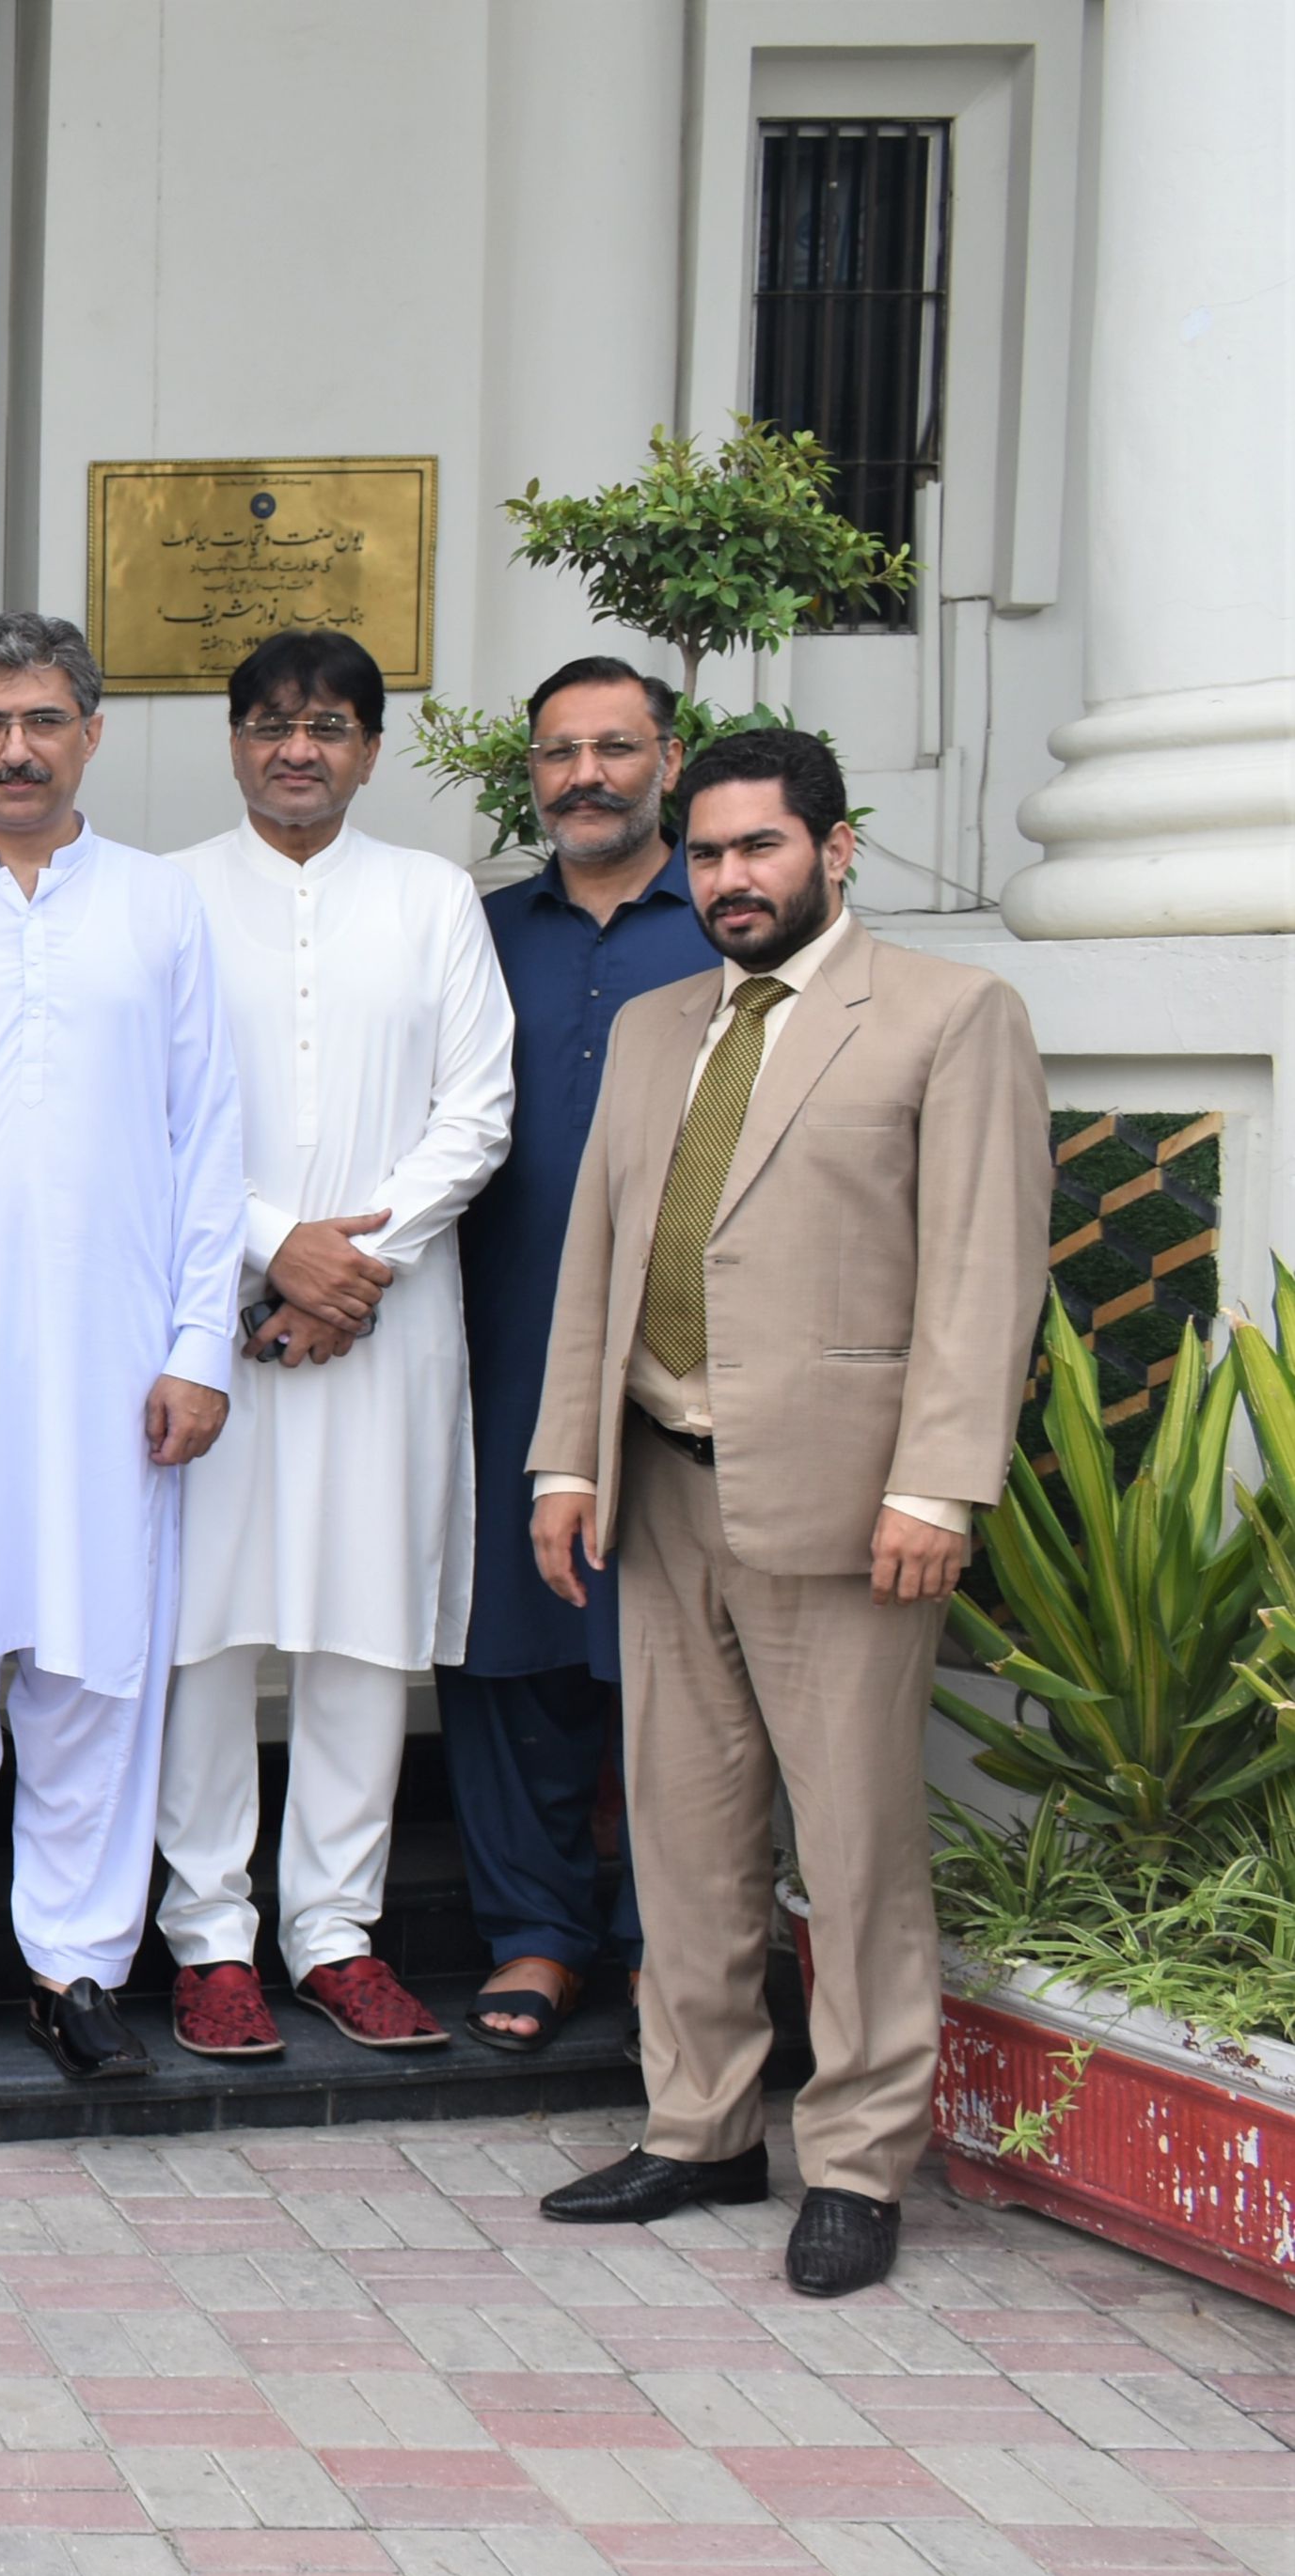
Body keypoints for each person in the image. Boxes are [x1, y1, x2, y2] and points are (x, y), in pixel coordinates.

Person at [527, 728, 1047, 2298]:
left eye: (758, 847)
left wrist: (935, 1483)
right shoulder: (655, 1025)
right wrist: (566, 1461)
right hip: (661, 1486)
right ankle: (696, 2127)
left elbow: (983, 1268)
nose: (728, 879)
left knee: (855, 1842)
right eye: (705, 854)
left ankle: (859, 2160)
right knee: (684, 1836)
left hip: (846, 1501)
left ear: (834, 850)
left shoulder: (951, 1016)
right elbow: (596, 1260)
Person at [0, 613, 244, 2087]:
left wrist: (201, 1341)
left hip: (114, 1352)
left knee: (94, 1670)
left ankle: (77, 1964)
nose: (13, 749)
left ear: (90, 730)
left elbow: (209, 1143)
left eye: (42, 720)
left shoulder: (159, 908)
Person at [159, 632, 514, 2060]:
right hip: (216, 1319)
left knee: (365, 1633)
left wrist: (347, 1269)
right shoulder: (170, 898)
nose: (293, 747)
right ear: (232, 740)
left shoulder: (433, 902)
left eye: (325, 725)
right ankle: (205, 1938)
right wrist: (272, 1245)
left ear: (370, 748)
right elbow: (156, 1113)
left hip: (385, 1324)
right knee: (205, 1631)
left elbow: (475, 1112)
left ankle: (333, 1932)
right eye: (267, 722)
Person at [443, 658, 714, 2050]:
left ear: (666, 758)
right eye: (559, 753)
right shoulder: (479, 930)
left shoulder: (723, 922)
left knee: (663, 1643)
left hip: (680, 1347)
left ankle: (663, 1939)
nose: (585, 776)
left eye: (614, 748)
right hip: (498, 1327)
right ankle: (533, 1933)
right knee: (508, 1641)